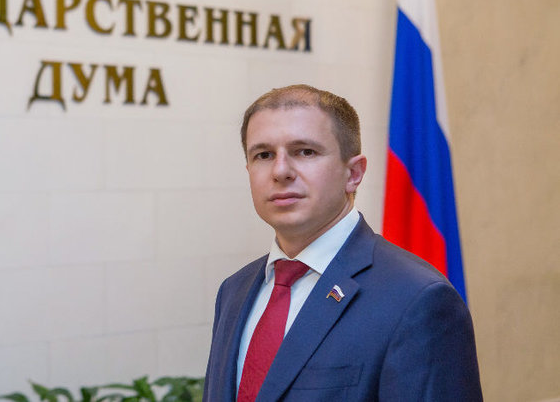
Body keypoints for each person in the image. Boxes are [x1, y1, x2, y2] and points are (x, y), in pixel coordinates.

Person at [202, 84, 481, 401]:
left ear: (354, 173)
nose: (280, 171)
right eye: (263, 155)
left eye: (305, 151)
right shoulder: (233, 291)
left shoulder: (417, 299)